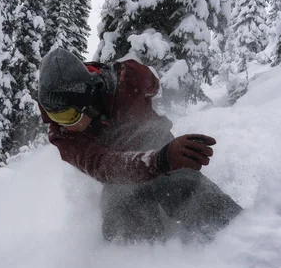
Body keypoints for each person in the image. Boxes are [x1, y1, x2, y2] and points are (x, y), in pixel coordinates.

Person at [37, 48, 242, 242]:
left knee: (183, 187)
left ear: (87, 100)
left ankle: (242, 236)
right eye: (54, 115)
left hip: (164, 150)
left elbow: (153, 85)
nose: (63, 125)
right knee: (119, 225)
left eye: (68, 115)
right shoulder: (62, 135)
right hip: (123, 176)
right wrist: (161, 160)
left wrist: (162, 151)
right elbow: (102, 165)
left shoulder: (127, 77)